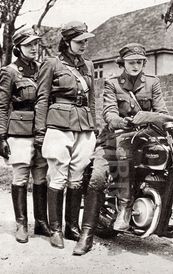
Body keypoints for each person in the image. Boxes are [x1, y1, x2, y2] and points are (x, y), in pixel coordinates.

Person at [73, 42, 168, 256]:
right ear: (123, 63)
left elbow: (161, 111)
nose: (135, 65)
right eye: (131, 62)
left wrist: (153, 120)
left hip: (143, 138)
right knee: (98, 177)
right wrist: (122, 122)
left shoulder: (153, 82)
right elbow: (109, 112)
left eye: (139, 62)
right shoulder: (112, 83)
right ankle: (88, 233)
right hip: (113, 138)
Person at [34, 21, 97, 249]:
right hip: (58, 125)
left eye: (85, 42)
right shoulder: (52, 64)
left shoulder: (88, 65)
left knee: (77, 175)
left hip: (84, 126)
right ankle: (56, 229)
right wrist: (40, 132)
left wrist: (94, 126)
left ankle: (72, 226)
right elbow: (42, 99)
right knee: (58, 175)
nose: (83, 46)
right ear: (67, 42)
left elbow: (91, 100)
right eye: (79, 42)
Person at [0, 28, 50, 243]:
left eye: (36, 44)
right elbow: (1, 106)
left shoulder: (42, 69)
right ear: (18, 48)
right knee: (20, 177)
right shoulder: (9, 72)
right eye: (29, 44)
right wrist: (1, 136)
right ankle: (21, 224)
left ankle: (41, 222)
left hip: (42, 130)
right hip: (19, 130)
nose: (33, 48)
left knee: (41, 176)